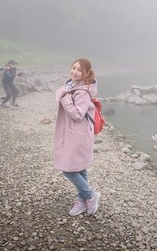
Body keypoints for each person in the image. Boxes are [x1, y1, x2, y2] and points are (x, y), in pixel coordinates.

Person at [54, 58, 101, 216]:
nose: (74, 72)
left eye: (79, 70)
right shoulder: (72, 86)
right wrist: (66, 93)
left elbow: (77, 114)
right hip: (74, 134)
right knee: (80, 168)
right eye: (73, 68)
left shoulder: (83, 92)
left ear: (86, 73)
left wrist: (65, 97)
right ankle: (82, 201)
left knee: (69, 170)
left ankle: (90, 195)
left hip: (78, 137)